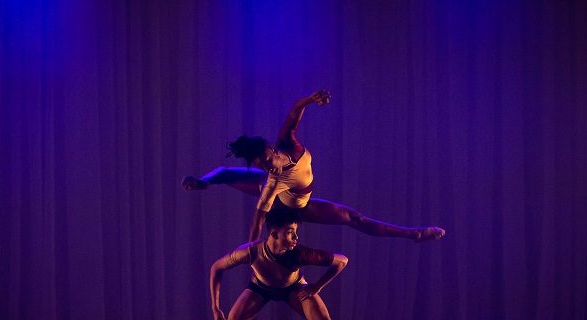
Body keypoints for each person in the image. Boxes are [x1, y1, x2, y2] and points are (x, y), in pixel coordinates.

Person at [182, 90, 446, 243]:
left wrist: (312, 99)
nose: (267, 167)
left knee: (356, 219)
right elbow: (257, 219)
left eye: (266, 161)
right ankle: (202, 182)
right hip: (284, 204)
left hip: (300, 202)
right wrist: (252, 250)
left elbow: (295, 111)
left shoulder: (287, 143)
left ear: (273, 151)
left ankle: (415, 234)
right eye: (261, 165)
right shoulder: (272, 180)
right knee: (226, 174)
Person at [181, 208, 348, 320]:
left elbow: (342, 261)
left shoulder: (300, 253)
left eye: (296, 233)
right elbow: (216, 267)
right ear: (274, 234)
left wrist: (317, 286)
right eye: (291, 233)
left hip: (294, 288)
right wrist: (215, 307)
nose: (296, 238)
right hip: (260, 288)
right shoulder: (251, 252)